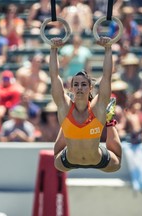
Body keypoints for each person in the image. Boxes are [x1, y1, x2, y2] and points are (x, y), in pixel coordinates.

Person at [49, 36, 122, 172]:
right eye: (76, 84)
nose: (79, 87)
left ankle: (109, 121)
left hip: (97, 159)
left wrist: (108, 48)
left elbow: (107, 76)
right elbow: (54, 77)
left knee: (117, 163)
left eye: (83, 84)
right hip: (68, 161)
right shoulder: (64, 105)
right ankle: (69, 125)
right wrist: (53, 49)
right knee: (56, 162)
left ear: (90, 88)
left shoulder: (97, 107)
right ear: (71, 89)